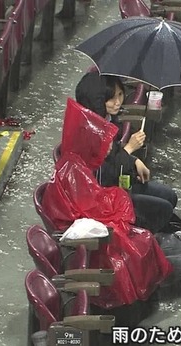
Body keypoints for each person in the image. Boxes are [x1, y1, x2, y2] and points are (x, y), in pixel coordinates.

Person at [41, 98, 172, 309]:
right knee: (141, 239)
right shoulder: (75, 169)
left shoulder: (79, 162)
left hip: (102, 210)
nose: (111, 146)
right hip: (89, 234)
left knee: (148, 223)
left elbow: (96, 197)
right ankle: (132, 304)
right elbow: (87, 207)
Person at [75, 72, 179, 234]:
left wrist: (134, 162)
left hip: (117, 186)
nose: (118, 103)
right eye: (111, 98)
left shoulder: (107, 120)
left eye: (121, 95)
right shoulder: (88, 132)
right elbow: (103, 177)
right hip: (103, 200)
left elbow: (114, 154)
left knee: (170, 196)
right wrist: (129, 148)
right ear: (96, 100)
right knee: (163, 209)